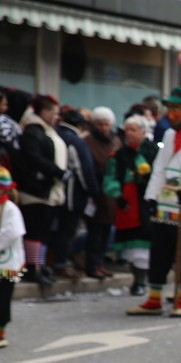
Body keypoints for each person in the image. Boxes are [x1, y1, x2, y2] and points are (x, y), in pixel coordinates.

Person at [127, 86, 181, 317]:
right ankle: (154, 298)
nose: (171, 114)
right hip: (165, 207)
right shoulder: (169, 135)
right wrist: (151, 197)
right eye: (170, 108)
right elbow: (159, 169)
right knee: (159, 254)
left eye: (176, 108)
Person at [15, 94, 67, 287]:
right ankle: (32, 267)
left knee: (43, 232)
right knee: (35, 231)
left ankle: (39, 264)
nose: (57, 117)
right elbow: (34, 158)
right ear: (44, 112)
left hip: (49, 191)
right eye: (54, 113)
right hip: (36, 191)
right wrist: (58, 172)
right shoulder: (33, 132)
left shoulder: (46, 130)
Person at [104, 113, 157, 296]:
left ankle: (144, 280)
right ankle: (137, 279)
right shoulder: (119, 155)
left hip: (147, 203)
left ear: (143, 132)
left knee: (145, 243)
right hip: (129, 203)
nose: (129, 133)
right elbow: (110, 178)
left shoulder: (153, 152)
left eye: (133, 130)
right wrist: (118, 196)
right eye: (127, 130)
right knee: (131, 246)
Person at [53, 107, 99, 279]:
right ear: (80, 125)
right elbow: (84, 170)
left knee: (47, 230)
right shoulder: (76, 141)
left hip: (50, 190)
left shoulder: (54, 134)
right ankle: (61, 264)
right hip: (72, 193)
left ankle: (42, 263)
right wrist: (94, 193)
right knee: (67, 229)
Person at [83, 106, 120, 279]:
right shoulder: (88, 141)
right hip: (96, 192)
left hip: (111, 193)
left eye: (107, 124)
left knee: (106, 232)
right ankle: (92, 264)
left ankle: (101, 263)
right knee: (95, 233)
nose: (104, 128)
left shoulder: (114, 140)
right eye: (100, 124)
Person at [0, 167, 25, 348]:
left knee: (3, 298)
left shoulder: (10, 209)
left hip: (9, 264)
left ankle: (1, 332)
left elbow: (12, 233)